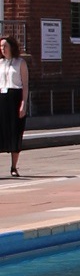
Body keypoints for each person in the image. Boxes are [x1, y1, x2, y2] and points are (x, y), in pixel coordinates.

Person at [0, 35, 24, 178]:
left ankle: (14, 167)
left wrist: (24, 103)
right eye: (1, 47)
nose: (3, 49)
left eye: (5, 46)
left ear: (12, 47)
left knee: (15, 131)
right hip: (1, 97)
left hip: (15, 97)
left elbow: (25, 85)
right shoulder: (0, 63)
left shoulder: (20, 63)